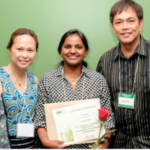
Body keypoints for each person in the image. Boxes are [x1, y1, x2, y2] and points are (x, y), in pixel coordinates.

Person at [34, 29, 115, 149]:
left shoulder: (98, 80)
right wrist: (46, 142)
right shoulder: (47, 79)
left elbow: (108, 117)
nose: (73, 51)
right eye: (67, 46)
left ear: (85, 52)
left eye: (78, 47)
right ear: (60, 51)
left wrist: (106, 141)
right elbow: (40, 119)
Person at [96, 0, 150, 148]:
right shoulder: (105, 60)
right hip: (116, 143)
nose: (125, 27)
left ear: (140, 24)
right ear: (113, 28)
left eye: (130, 21)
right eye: (118, 22)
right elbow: (100, 104)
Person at [0, 28, 39, 148]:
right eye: (19, 49)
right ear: (10, 49)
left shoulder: (34, 80)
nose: (25, 55)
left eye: (30, 50)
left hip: (33, 145)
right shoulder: (1, 78)